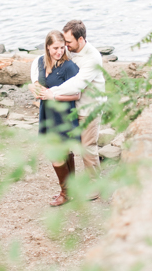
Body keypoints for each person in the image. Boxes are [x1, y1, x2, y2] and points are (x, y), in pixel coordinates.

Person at [32, 20, 106, 196]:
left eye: (68, 43)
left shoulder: (92, 58)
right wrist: (35, 82)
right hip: (72, 108)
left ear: (80, 39)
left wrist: (52, 94)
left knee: (87, 148)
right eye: (63, 42)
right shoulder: (70, 51)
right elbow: (39, 60)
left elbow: (76, 84)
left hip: (89, 108)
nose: (65, 46)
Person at [30, 30, 81, 207]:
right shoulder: (40, 62)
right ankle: (72, 191)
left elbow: (77, 94)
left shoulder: (69, 67)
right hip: (47, 113)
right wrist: (35, 88)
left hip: (63, 115)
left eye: (62, 47)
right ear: (47, 47)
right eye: (55, 48)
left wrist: (53, 96)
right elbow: (39, 83)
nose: (59, 52)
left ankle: (66, 193)